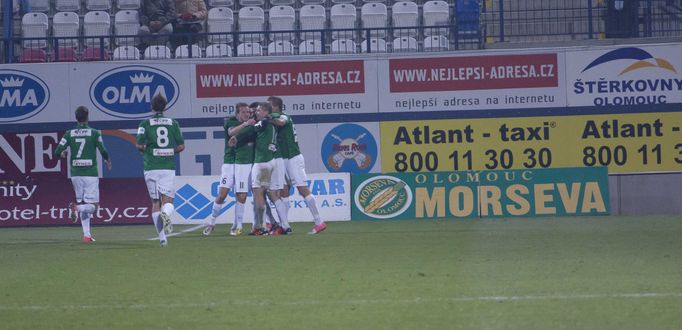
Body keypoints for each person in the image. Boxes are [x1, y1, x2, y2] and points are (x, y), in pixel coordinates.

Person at [269, 96, 327, 234]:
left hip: (293, 158)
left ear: (275, 107)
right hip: (282, 159)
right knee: (283, 191)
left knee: (302, 189)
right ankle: (285, 225)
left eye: (269, 105)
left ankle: (319, 222)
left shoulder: (284, 117)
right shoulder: (273, 121)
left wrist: (267, 117)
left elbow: (282, 123)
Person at [54, 106, 112, 243]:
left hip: (75, 174)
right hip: (90, 173)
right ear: (87, 117)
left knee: (83, 203)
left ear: (76, 118)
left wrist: (63, 154)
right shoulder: (94, 133)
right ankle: (76, 208)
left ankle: (86, 235)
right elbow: (102, 149)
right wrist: (108, 159)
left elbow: (57, 152)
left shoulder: (69, 133)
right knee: (93, 206)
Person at [231, 102, 290, 235]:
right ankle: (285, 226)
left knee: (258, 194)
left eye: (258, 110)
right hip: (271, 160)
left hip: (262, 163)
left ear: (265, 112)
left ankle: (261, 227)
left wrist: (236, 136)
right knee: (272, 194)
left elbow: (251, 129)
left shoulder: (263, 123)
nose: (255, 112)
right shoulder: (272, 124)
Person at [136, 94, 185, 247]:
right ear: (166, 107)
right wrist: (169, 151)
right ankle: (166, 214)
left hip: (151, 167)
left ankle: (163, 239)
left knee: (155, 202)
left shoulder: (144, 123)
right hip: (167, 167)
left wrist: (148, 150)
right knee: (168, 201)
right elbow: (182, 146)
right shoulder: (173, 123)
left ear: (152, 107)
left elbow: (139, 145)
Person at [203, 102, 255, 237]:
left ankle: (238, 226)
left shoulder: (251, 125)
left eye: (248, 112)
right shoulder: (230, 122)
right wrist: (245, 124)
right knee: (222, 194)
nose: (246, 114)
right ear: (237, 113)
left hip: (243, 163)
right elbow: (231, 132)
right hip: (229, 163)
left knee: (241, 195)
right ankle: (211, 222)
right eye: (243, 112)